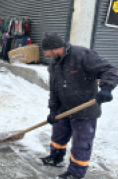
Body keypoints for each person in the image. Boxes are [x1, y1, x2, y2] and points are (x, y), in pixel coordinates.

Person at [40, 33, 118, 179]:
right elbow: (54, 89)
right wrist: (53, 109)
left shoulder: (81, 55)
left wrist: (106, 88)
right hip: (64, 109)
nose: (46, 54)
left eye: (47, 51)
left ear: (55, 48)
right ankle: (56, 158)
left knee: (81, 144)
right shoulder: (54, 64)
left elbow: (110, 70)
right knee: (58, 136)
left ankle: (75, 174)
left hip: (85, 111)